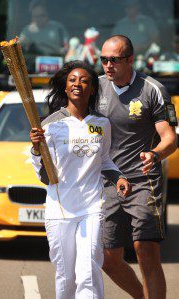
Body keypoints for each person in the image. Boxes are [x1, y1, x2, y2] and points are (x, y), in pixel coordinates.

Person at [30, 60, 130, 298]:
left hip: (91, 207)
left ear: (93, 88)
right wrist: (36, 149)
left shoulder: (101, 124)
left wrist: (118, 177)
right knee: (66, 274)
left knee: (89, 270)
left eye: (84, 80)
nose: (78, 84)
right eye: (72, 80)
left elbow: (104, 159)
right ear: (65, 88)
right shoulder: (51, 125)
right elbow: (44, 175)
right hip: (60, 208)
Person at [97, 35, 177, 299]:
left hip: (143, 179)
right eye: (103, 60)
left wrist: (154, 154)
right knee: (108, 259)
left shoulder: (152, 89)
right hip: (108, 181)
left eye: (114, 60)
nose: (108, 65)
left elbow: (170, 139)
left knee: (145, 248)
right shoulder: (95, 88)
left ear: (130, 59)